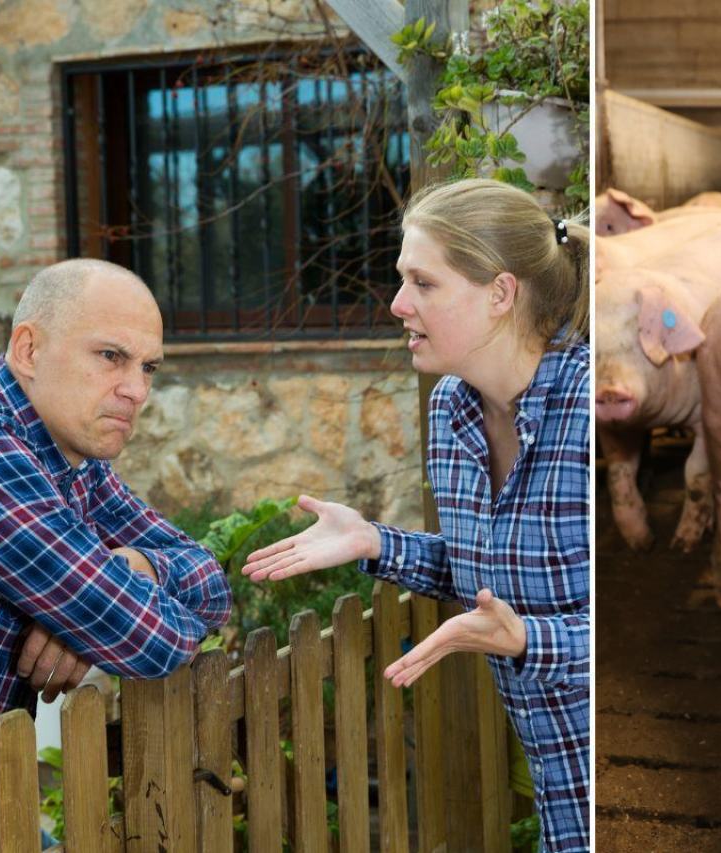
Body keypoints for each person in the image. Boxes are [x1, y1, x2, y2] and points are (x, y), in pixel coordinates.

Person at [244, 178, 591, 852]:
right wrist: (375, 541)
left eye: (422, 283)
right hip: (561, 799)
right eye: (401, 280)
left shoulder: (585, 411)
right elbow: (487, 573)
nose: (398, 303)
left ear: (499, 293)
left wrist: (526, 641)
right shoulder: (451, 411)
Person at [0, 259, 232, 850]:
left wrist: (135, 569)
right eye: (111, 356)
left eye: (148, 367)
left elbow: (212, 583)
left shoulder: (75, 460)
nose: (137, 390)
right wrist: (93, 613)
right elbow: (151, 640)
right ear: (28, 350)